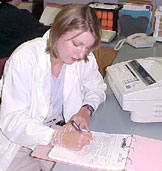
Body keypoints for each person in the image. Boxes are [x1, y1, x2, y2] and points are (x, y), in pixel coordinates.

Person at [0, 3, 107, 171]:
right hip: (20, 141)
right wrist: (58, 138)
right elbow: (12, 121)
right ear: (58, 32)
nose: (81, 54)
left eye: (87, 48)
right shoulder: (25, 58)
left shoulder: (83, 57)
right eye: (77, 44)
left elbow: (97, 88)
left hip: (60, 131)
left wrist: (85, 111)